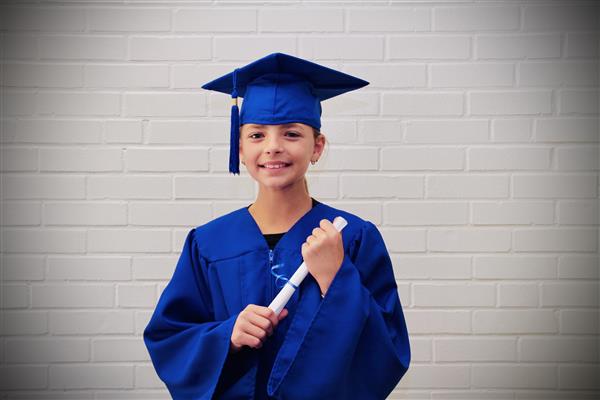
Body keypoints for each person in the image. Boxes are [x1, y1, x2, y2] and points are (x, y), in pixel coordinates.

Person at [143, 52, 411, 400]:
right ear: (238, 147)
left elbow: (388, 350)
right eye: (256, 136)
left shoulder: (353, 238)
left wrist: (336, 278)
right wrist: (228, 336)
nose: (273, 147)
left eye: (291, 134)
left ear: (317, 147)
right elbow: (169, 337)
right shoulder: (208, 243)